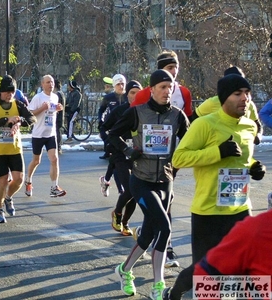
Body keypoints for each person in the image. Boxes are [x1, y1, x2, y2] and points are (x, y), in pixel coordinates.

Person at [163, 74, 266, 300]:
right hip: (208, 211)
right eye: (237, 93)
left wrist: (256, 167)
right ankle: (173, 294)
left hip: (240, 208)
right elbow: (178, 158)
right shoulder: (205, 124)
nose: (245, 99)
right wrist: (218, 152)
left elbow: (243, 161)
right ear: (223, 98)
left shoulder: (249, 126)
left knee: (243, 268)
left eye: (247, 93)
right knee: (204, 270)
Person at [109, 70, 190, 299]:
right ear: (152, 89)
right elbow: (112, 134)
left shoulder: (177, 116)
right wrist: (128, 150)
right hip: (141, 181)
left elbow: (191, 141)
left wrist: (179, 162)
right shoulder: (137, 113)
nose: (167, 91)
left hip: (165, 181)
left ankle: (124, 271)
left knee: (149, 234)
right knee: (164, 227)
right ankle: (158, 286)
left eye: (170, 87)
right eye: (162, 87)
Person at [131, 50, 192, 267]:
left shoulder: (184, 93)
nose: (173, 72)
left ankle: (157, 239)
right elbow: (132, 123)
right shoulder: (142, 95)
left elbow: (189, 128)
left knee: (165, 209)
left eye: (176, 68)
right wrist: (133, 150)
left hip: (170, 162)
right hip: (143, 167)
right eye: (168, 68)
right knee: (162, 216)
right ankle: (167, 247)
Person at [0, 75, 36, 223]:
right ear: (1, 92)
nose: (10, 95)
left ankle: (8, 198)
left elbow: (32, 118)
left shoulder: (18, 105)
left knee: (19, 179)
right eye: (7, 92)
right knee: (3, 180)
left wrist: (20, 121)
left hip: (14, 149)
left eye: (12, 92)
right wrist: (6, 121)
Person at [101, 80, 142, 236]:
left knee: (135, 192)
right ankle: (118, 213)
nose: (135, 96)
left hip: (138, 155)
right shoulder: (120, 111)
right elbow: (104, 128)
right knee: (130, 188)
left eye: (139, 93)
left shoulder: (145, 112)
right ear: (127, 95)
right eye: (132, 93)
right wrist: (110, 144)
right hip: (120, 154)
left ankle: (125, 223)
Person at [193, 66, 263, 144]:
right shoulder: (213, 102)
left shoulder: (249, 104)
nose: (244, 98)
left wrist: (258, 136)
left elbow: (257, 124)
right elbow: (192, 118)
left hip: (242, 149)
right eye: (237, 93)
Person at [193, 210, 272, 279]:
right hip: (208, 210)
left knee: (242, 275)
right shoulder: (256, 229)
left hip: (239, 205)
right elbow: (205, 271)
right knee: (201, 267)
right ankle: (180, 290)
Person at [24, 74, 66, 198]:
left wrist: (58, 109)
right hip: (38, 134)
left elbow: (52, 112)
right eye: (48, 82)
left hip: (50, 134)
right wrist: (42, 108)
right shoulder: (38, 97)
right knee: (36, 161)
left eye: (52, 82)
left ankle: (54, 187)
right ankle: (28, 180)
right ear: (42, 84)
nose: (50, 84)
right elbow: (29, 113)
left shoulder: (55, 97)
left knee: (54, 159)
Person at [131, 50, 192, 120]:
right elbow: (130, 118)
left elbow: (189, 121)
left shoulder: (184, 93)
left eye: (176, 67)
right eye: (170, 68)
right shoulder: (143, 94)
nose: (174, 71)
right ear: (160, 70)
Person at [98, 74, 127, 159]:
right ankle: (107, 151)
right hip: (113, 122)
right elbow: (101, 110)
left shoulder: (129, 96)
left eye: (123, 84)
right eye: (118, 84)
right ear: (114, 85)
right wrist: (101, 120)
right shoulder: (108, 97)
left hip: (126, 122)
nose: (121, 86)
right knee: (105, 133)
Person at [54, 79, 66, 154]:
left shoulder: (57, 94)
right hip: (61, 115)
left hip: (58, 115)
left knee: (57, 131)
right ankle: (58, 147)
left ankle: (58, 147)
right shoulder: (62, 93)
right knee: (58, 131)